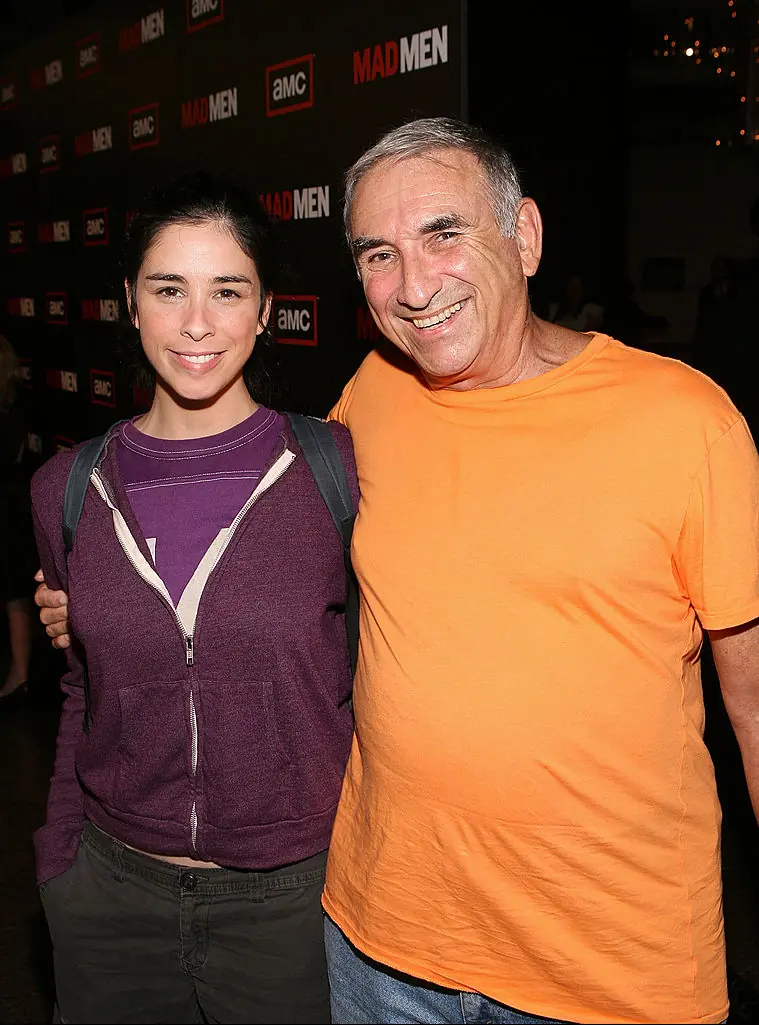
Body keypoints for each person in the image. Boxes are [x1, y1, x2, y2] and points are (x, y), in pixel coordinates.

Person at [37, 118, 759, 1025]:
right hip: (381, 951)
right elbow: (269, 581)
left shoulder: (685, 421)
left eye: (443, 234)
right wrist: (88, 607)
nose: (414, 286)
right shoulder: (367, 406)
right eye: (379, 254)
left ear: (524, 235)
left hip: (607, 972)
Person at [29, 171, 357, 1024]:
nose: (198, 322)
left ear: (266, 308)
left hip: (293, 905)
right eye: (169, 289)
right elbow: (80, 687)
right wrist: (61, 861)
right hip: (110, 898)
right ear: (130, 302)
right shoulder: (67, 487)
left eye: (228, 290)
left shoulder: (334, 471)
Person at [0, 334, 35, 700]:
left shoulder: (9, 412)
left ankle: (20, 672)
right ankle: (20, 671)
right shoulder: (17, 405)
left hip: (7, 511)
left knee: (13, 592)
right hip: (14, 506)